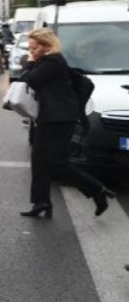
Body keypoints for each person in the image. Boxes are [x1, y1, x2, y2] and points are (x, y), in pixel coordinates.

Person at [15, 28, 113, 218]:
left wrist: (30, 63)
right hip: (51, 117)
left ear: (46, 46)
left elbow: (29, 80)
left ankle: (97, 190)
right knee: (40, 161)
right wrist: (33, 62)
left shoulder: (52, 62)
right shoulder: (48, 61)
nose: (31, 52)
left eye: (34, 48)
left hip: (60, 118)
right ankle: (41, 202)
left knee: (57, 163)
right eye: (30, 48)